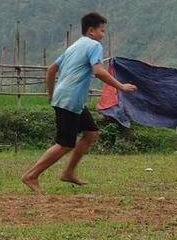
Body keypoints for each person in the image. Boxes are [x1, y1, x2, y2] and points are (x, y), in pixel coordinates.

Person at [21, 12, 137, 192]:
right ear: (91, 31)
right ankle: (31, 175)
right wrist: (120, 87)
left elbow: (51, 70)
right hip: (70, 99)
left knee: (91, 133)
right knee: (65, 143)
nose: (103, 35)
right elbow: (98, 71)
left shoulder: (74, 46)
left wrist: (51, 95)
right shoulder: (94, 45)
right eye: (101, 30)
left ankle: (68, 172)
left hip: (69, 99)